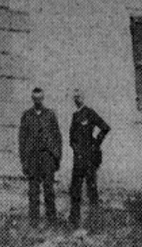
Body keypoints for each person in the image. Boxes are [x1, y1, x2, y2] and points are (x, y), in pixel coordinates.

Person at [18, 87, 62, 227]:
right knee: (33, 191)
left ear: (43, 98)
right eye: (35, 99)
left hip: (47, 156)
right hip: (32, 158)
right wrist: (24, 161)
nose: (38, 101)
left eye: (40, 98)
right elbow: (22, 139)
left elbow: (57, 137)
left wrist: (56, 157)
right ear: (32, 99)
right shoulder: (27, 115)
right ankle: (34, 222)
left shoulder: (50, 115)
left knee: (49, 189)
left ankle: (52, 221)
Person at [68, 89, 110, 229]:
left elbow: (105, 127)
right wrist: (75, 148)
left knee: (92, 190)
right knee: (75, 190)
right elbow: (71, 138)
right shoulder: (75, 116)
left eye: (79, 96)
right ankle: (74, 221)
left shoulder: (90, 112)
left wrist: (95, 143)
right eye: (75, 97)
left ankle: (95, 222)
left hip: (90, 159)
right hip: (78, 159)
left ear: (83, 97)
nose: (77, 99)